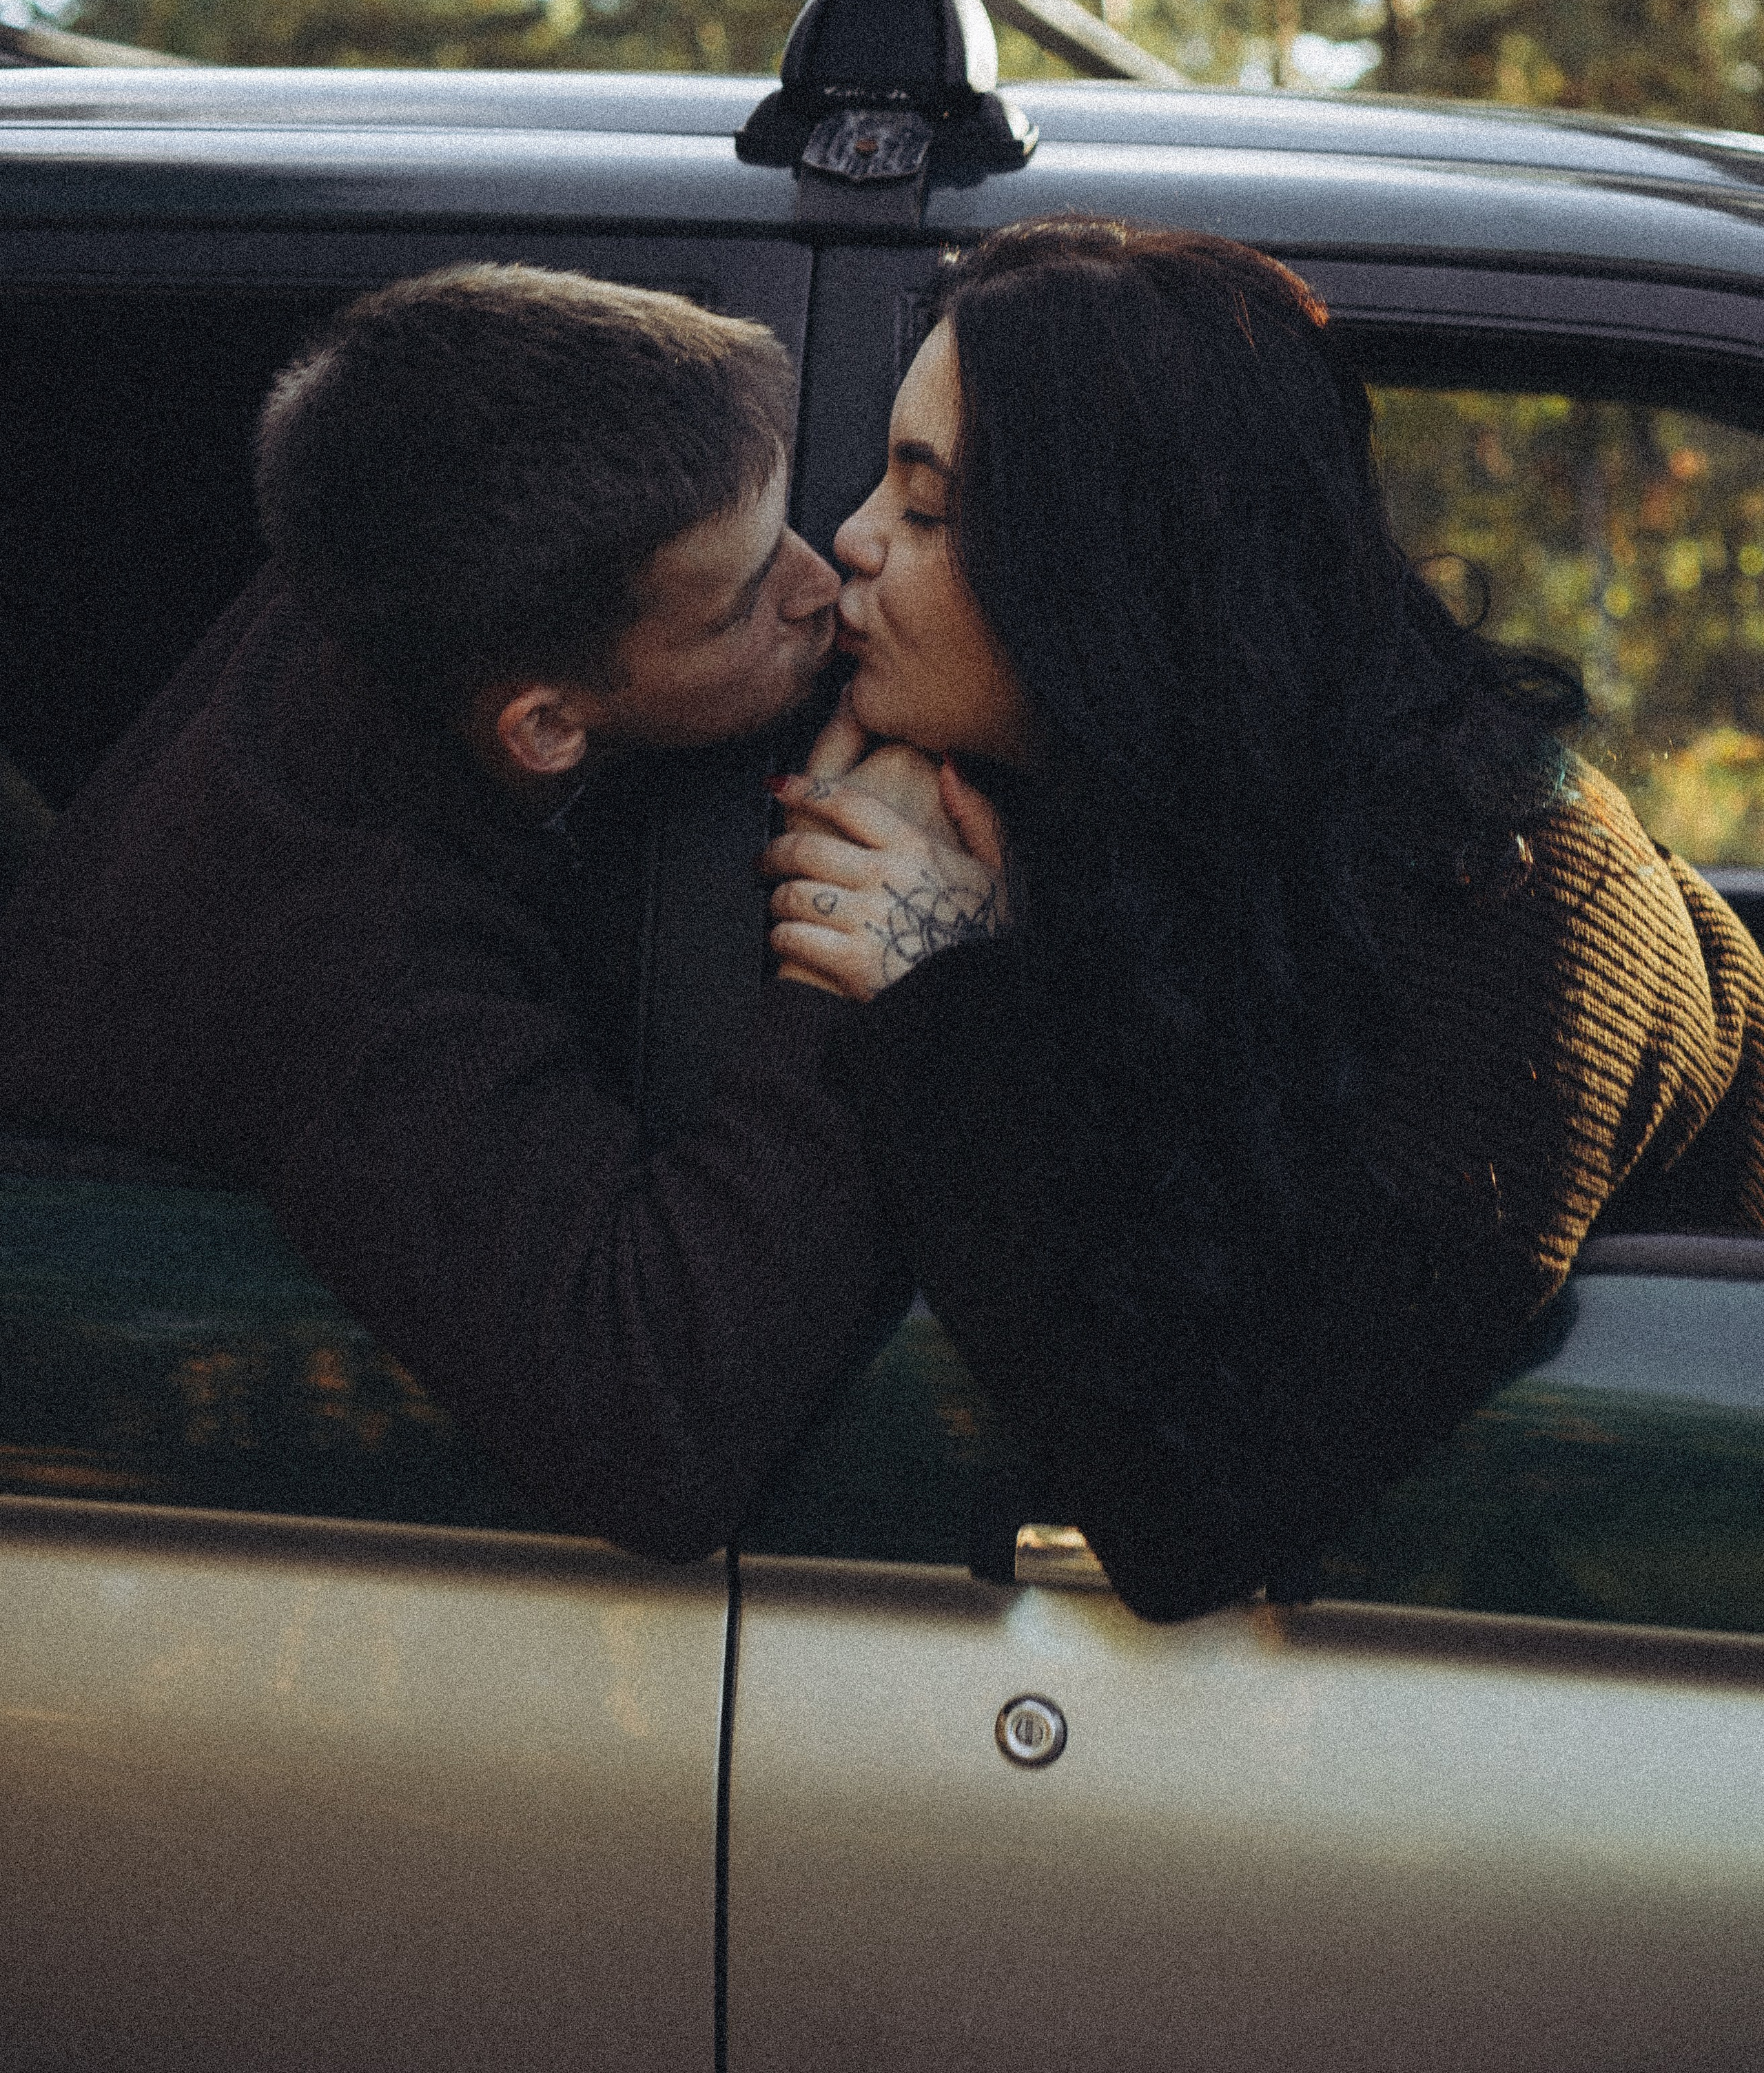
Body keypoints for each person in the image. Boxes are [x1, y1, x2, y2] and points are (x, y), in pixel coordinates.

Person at [761, 216, 1764, 1623]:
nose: (849, 540)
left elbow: (1192, 1514)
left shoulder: (1527, 914)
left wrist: (939, 983)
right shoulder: (1144, 792)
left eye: (926, 509)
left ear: (1120, 571)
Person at [0, 262, 921, 1557]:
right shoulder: (338, 951)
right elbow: (651, 1435)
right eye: (742, 598)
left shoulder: (427, 553)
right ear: (546, 727)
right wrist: (857, 957)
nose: (823, 583)